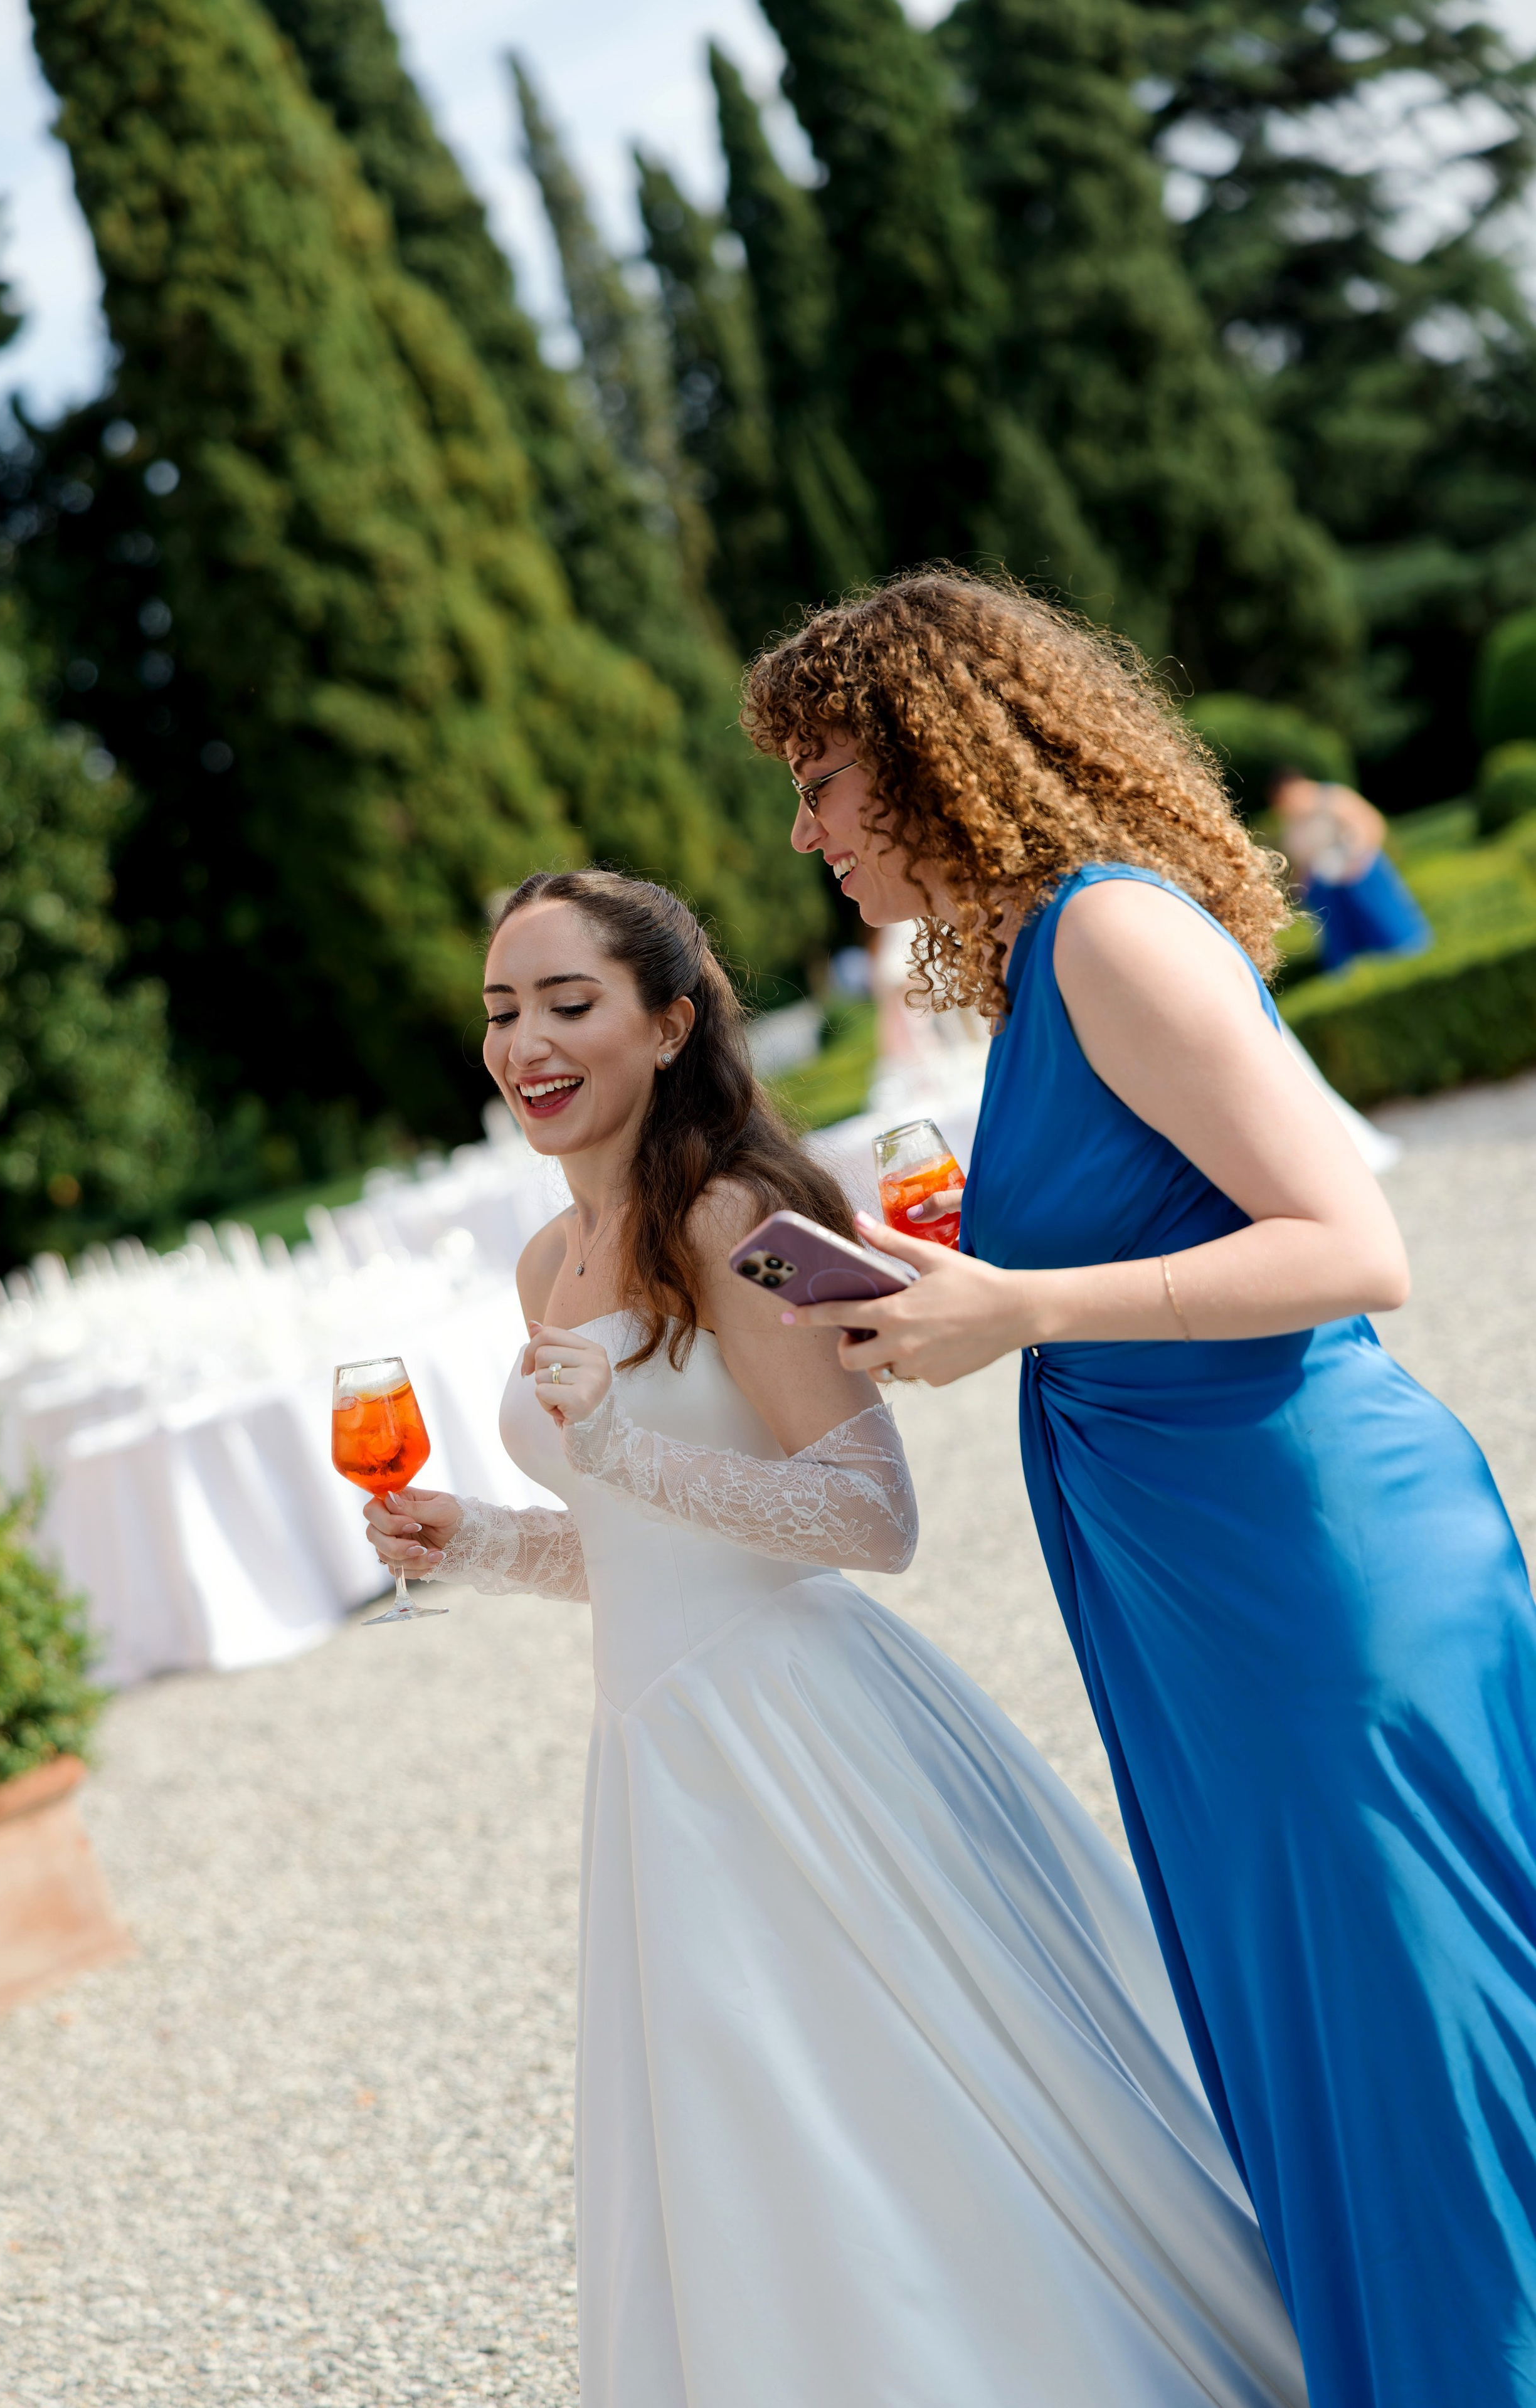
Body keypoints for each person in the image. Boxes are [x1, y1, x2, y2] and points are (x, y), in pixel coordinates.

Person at [364, 867, 1305, 2408]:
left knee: (908, 2125)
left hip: (801, 1739)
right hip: (658, 1759)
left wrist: (616, 1455)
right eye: (499, 1010)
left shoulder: (744, 1216)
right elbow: (638, 1546)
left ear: (670, 1023)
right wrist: (473, 1539)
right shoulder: (544, 1259)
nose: (523, 1041)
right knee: (747, 2150)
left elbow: (871, 1514)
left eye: (566, 1002)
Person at [747, 569, 1536, 2408]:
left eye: (820, 783)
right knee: (1334, 2042)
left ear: (928, 757)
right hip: (1207, 1587)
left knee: (1415, 2045)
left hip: (1304, 1575)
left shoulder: (1111, 933)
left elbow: (1350, 1244)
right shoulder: (1042, 968)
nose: (805, 833)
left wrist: (1015, 1305)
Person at [1266, 766, 1430, 973]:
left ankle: (1402, 948)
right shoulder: (1292, 822)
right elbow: (1302, 858)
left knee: (1380, 918)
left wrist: (1357, 857)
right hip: (1327, 881)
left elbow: (1371, 824)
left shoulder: (1333, 798)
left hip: (1361, 868)